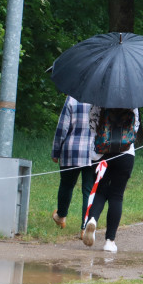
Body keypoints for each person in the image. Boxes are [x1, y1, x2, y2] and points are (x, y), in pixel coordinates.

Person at [81, 107, 139, 252]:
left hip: (101, 152)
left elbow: (92, 125)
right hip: (125, 153)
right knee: (116, 196)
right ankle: (109, 241)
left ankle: (93, 219)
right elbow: (135, 127)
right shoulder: (132, 100)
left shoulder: (98, 99)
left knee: (100, 191)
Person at [51, 95, 96, 232]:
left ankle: (61, 216)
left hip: (71, 149)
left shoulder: (72, 98)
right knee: (88, 190)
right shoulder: (101, 98)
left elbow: (62, 127)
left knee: (66, 185)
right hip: (93, 151)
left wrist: (56, 151)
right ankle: (85, 226)